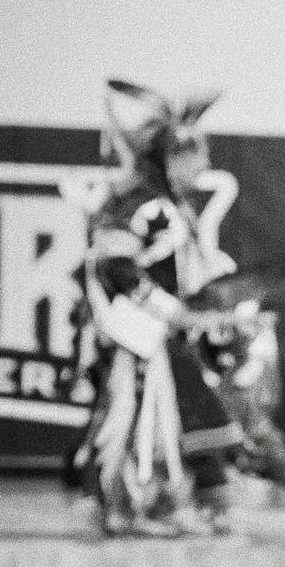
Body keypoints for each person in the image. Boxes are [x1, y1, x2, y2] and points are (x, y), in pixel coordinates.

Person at [75, 79, 243, 536]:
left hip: (156, 337)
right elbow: (115, 267)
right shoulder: (144, 205)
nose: (206, 165)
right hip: (139, 338)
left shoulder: (165, 205)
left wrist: (204, 312)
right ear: (175, 158)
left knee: (177, 416)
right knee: (142, 419)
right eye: (199, 155)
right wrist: (172, 312)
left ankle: (149, 504)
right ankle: (137, 504)